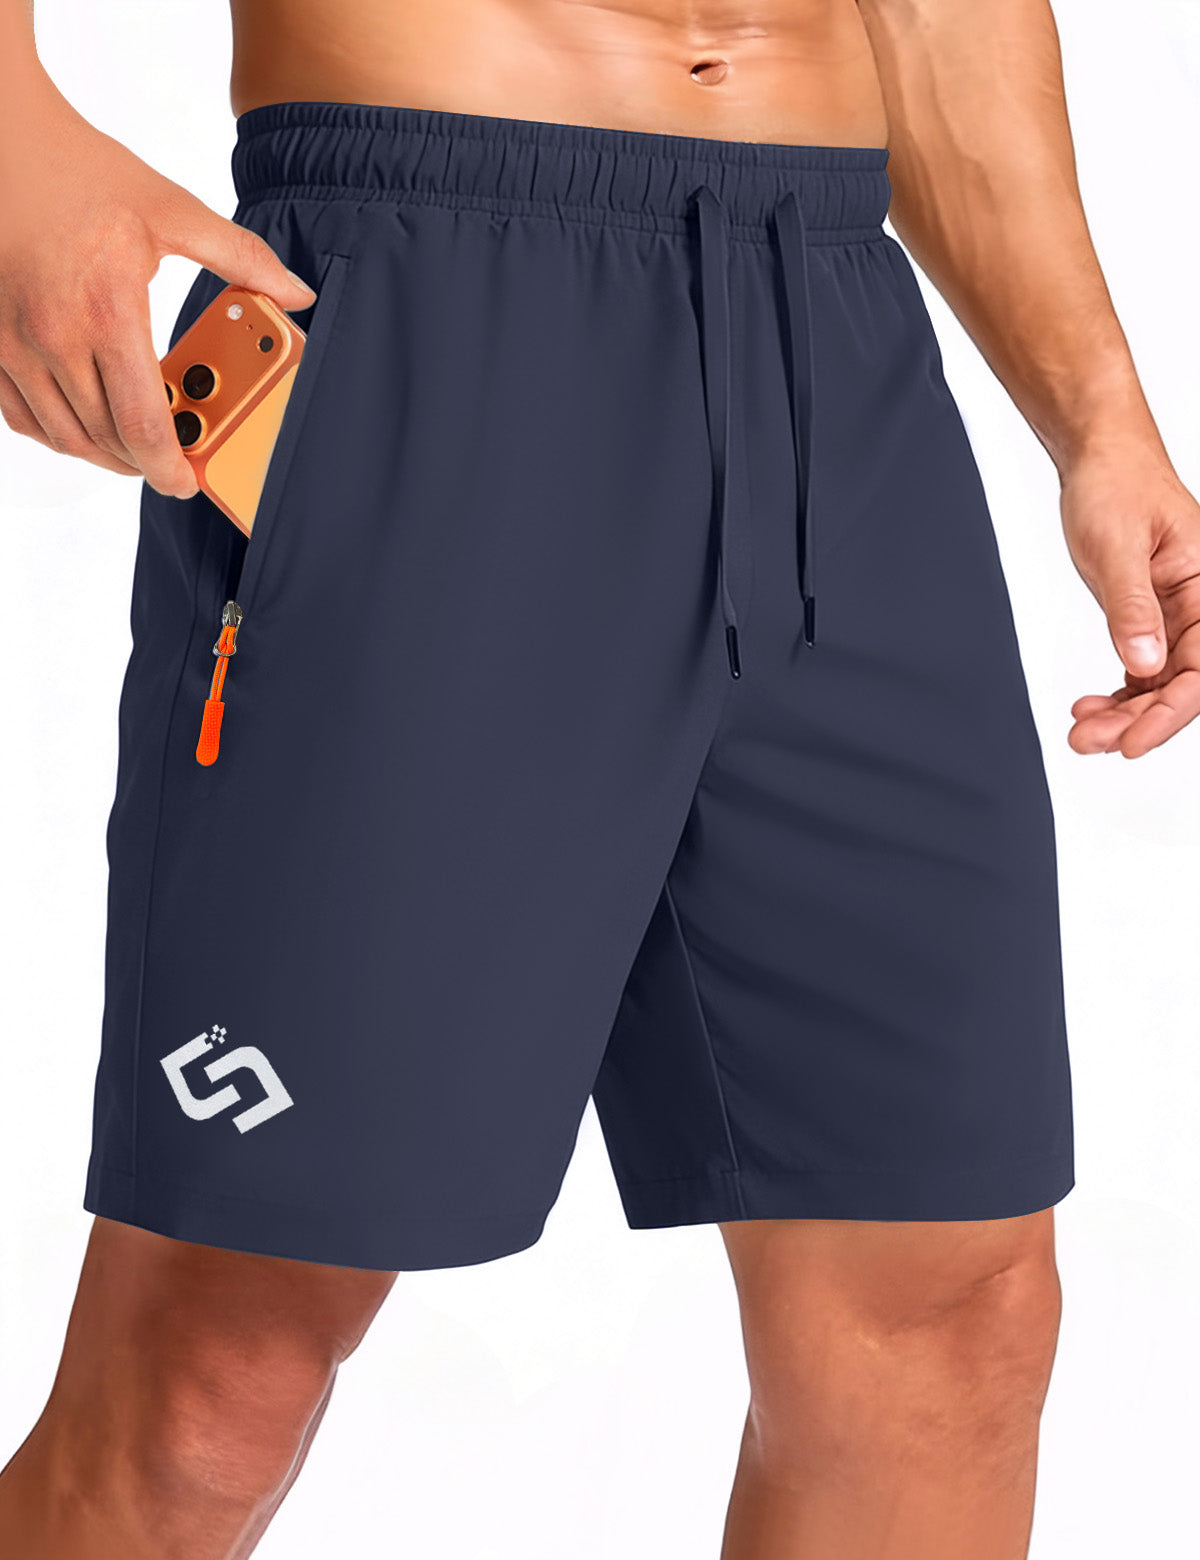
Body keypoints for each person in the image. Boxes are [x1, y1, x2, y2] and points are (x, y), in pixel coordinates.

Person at [1, 0, 1196, 1555]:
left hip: (830, 337)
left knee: (944, 1317)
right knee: (214, 1374)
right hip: (427, 273)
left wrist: (1101, 417)